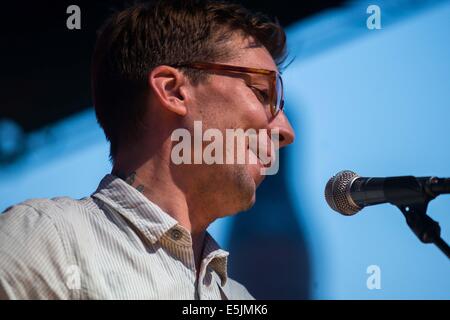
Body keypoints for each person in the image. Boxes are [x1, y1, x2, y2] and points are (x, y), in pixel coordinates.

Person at [0, 0, 294, 299]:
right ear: (173, 91)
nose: (286, 132)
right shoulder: (47, 241)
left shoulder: (240, 299)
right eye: (262, 93)